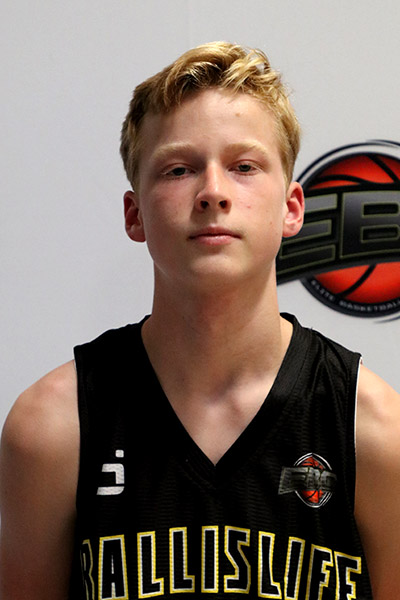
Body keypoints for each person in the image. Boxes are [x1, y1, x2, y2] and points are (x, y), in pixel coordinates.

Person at [1, 41, 400, 600]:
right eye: (179, 169)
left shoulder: (373, 429)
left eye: (244, 167)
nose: (213, 192)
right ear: (135, 214)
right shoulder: (52, 427)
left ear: (292, 209)